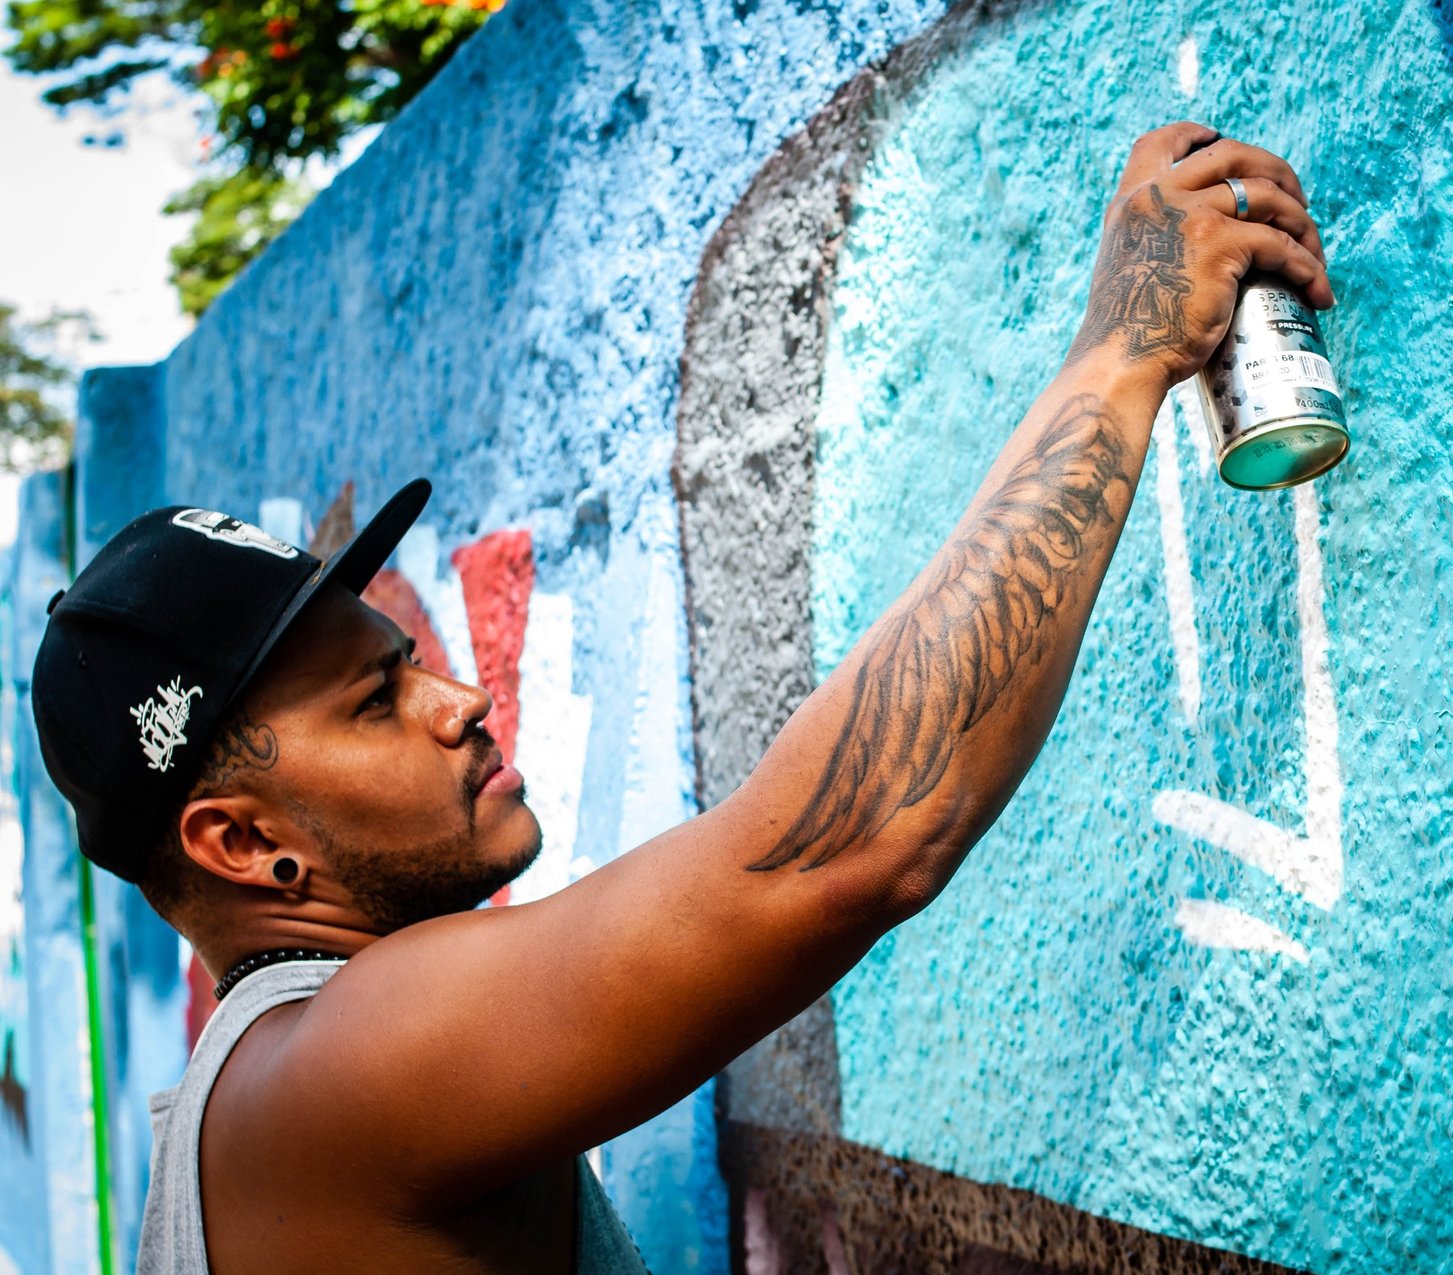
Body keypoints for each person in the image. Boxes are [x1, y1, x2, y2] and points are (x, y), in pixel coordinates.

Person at [32, 121, 1333, 1273]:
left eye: (410, 659)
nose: (464, 699)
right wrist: (1120, 353)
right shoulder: (338, 1074)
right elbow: (854, 842)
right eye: (377, 703)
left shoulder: (270, 1095)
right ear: (245, 844)